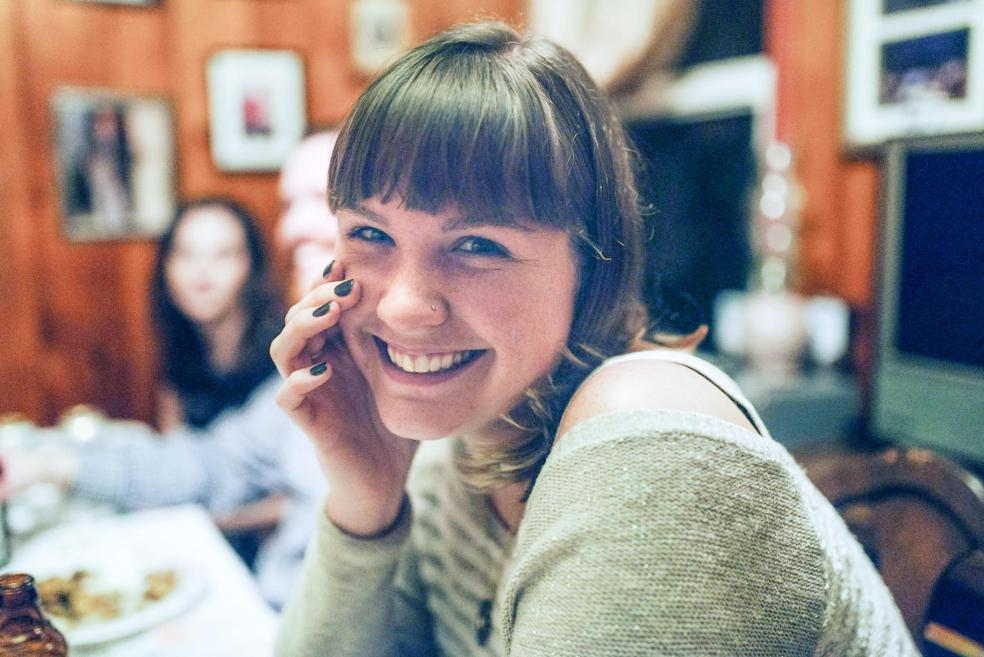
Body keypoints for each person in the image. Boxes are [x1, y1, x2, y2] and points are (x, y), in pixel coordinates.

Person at [270, 23, 919, 656]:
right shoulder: (457, 451)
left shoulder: (649, 444)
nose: (405, 304)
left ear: (592, 268)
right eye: (371, 234)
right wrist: (366, 501)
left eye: (477, 245)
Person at [0, 131, 340, 610]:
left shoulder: (293, 352)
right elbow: (202, 462)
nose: (294, 227)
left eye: (324, 201)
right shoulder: (309, 359)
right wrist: (48, 459)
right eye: (289, 204)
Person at [152, 197, 283, 432]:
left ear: (252, 266)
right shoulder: (180, 352)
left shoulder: (283, 356)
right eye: (185, 254)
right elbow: (174, 452)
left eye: (223, 254)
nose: (202, 271)